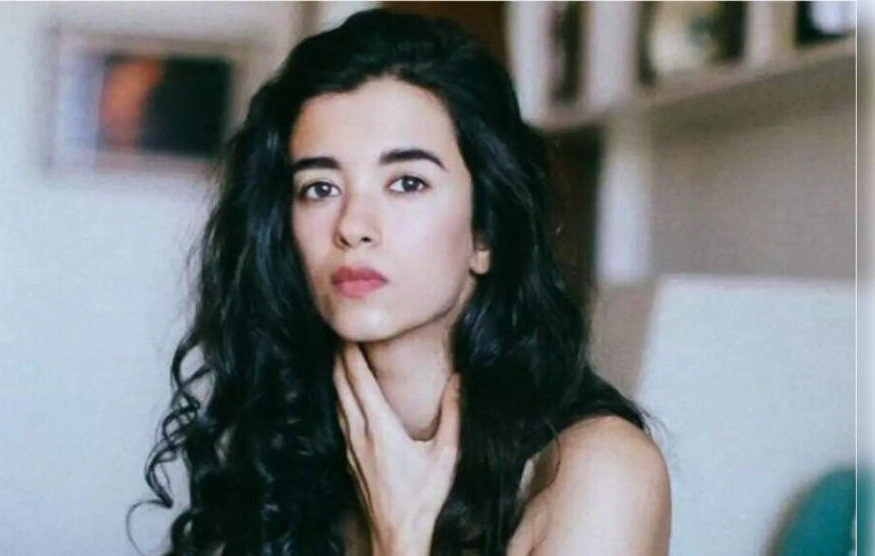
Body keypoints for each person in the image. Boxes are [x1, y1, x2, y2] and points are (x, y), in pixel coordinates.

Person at [137, 8, 671, 555]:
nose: (353, 226)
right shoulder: (289, 444)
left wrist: (403, 539)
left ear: (485, 234)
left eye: (407, 182)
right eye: (320, 188)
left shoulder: (598, 472)